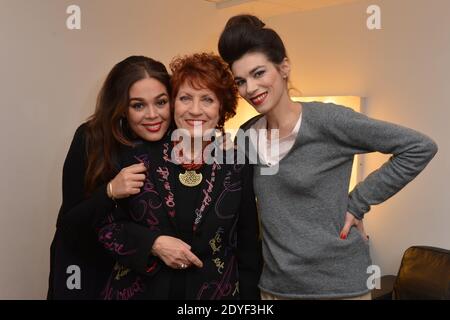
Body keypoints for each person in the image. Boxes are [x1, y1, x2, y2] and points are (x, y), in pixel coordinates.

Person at [218, 14, 438, 300]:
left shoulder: (328, 120)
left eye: (259, 73)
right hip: (275, 288)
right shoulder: (246, 136)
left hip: (339, 286)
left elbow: (419, 147)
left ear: (284, 67)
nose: (251, 89)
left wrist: (358, 203)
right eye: (241, 81)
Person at [97, 53, 262, 300]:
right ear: (174, 103)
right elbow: (106, 228)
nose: (195, 110)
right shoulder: (136, 154)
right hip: (139, 292)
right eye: (185, 98)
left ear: (223, 108)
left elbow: (248, 248)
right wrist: (152, 243)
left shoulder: (236, 164)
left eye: (207, 99)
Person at [48, 56, 172, 299]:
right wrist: (110, 192)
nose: (153, 115)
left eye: (161, 102)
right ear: (121, 107)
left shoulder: (177, 140)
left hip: (144, 276)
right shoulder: (91, 139)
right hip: (89, 271)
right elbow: (69, 225)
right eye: (138, 105)